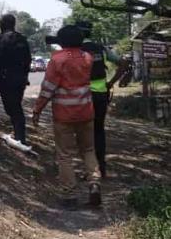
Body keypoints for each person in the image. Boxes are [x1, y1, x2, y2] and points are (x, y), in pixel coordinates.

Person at [32, 25, 101, 207]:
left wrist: (37, 109)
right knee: (88, 150)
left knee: (65, 155)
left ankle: (69, 195)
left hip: (64, 113)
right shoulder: (88, 57)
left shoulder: (57, 60)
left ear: (61, 41)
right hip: (86, 110)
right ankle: (94, 183)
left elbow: (48, 88)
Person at [76, 21, 129, 178]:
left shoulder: (76, 50)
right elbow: (123, 63)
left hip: (83, 96)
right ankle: (101, 168)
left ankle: (91, 171)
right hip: (101, 95)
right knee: (98, 131)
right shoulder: (101, 48)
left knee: (84, 132)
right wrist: (111, 82)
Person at [0, 14, 32, 145]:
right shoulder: (22, 38)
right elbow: (28, 59)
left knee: (12, 107)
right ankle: (18, 133)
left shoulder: (1, 38)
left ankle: (20, 138)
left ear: (3, 24)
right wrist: (25, 75)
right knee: (15, 105)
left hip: (7, 78)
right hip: (20, 78)